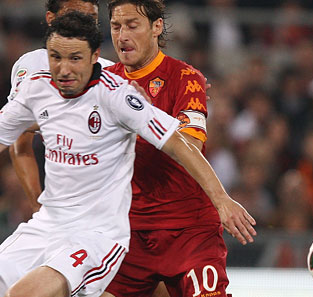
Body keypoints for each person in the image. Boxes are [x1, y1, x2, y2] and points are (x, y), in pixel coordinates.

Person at [0, 12, 255, 297]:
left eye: (75, 59)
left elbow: (178, 142)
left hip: (97, 234)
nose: (64, 69)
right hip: (48, 224)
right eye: (56, 58)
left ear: (95, 58)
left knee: (24, 294)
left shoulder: (118, 95)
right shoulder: (37, 88)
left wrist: (221, 198)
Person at [101, 1, 256, 297]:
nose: (122, 36)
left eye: (132, 26)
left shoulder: (186, 78)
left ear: (156, 27)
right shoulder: (103, 84)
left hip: (189, 230)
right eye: (116, 26)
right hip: (128, 231)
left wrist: (131, 121)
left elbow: (191, 145)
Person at [0, 0, 114, 213]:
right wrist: (37, 205)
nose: (83, 24)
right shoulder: (33, 64)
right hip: (56, 179)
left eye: (91, 18)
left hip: (106, 191)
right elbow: (20, 140)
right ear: (50, 19)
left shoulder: (113, 73)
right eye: (73, 15)